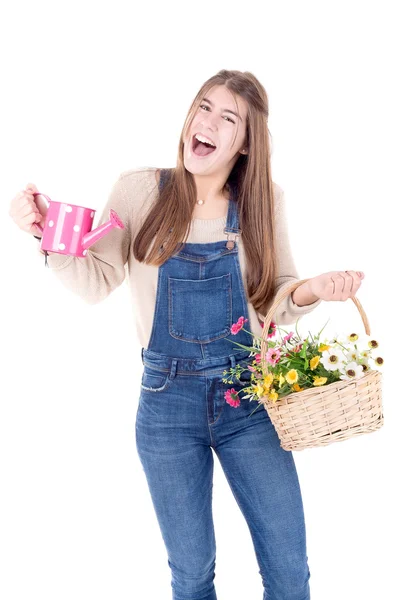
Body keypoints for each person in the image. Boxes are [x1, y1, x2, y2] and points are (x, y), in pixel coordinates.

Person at [9, 69, 364, 600]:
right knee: (192, 575)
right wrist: (46, 237)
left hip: (250, 401)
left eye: (229, 118)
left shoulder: (265, 199)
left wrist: (313, 289)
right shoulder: (139, 191)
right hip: (166, 406)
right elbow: (95, 283)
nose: (208, 123)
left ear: (245, 144)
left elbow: (275, 296)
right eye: (204, 107)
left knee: (290, 573)